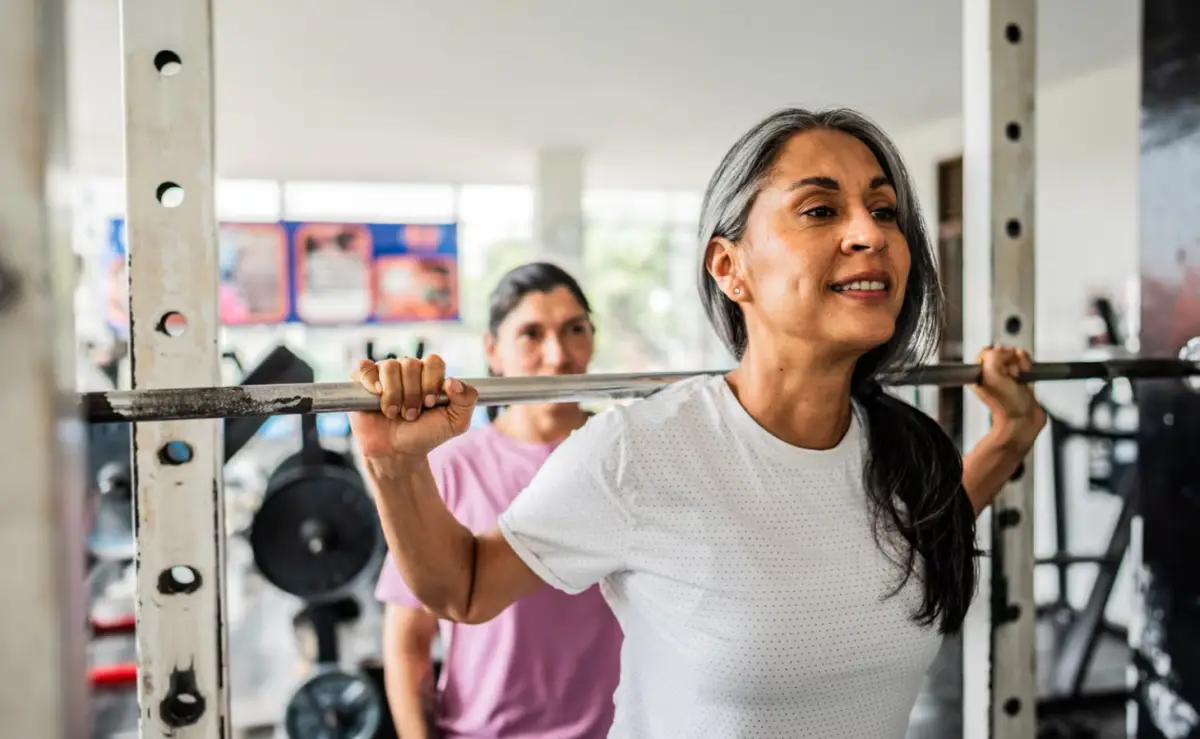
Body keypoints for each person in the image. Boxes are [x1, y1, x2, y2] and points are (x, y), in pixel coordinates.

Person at [349, 108, 1047, 738]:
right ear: (729, 266)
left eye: (885, 210)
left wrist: (1011, 435)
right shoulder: (638, 452)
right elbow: (462, 589)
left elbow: (917, 532)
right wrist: (395, 465)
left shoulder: (906, 458)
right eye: (820, 210)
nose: (870, 233)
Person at [372, 262, 624, 739]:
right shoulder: (447, 467)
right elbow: (409, 641)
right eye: (531, 334)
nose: (558, 355)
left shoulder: (624, 454)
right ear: (493, 351)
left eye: (575, 330)